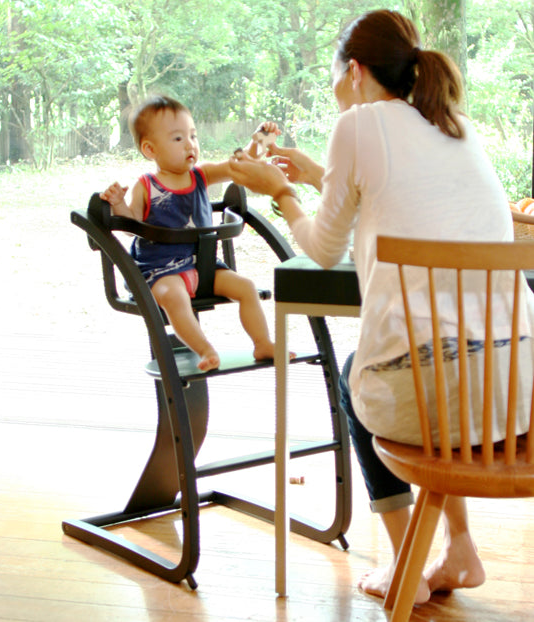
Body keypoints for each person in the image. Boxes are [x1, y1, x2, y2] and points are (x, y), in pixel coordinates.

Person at [228, 9, 534, 605]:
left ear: (357, 71)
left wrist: (281, 193)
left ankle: (407, 564)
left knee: (359, 376)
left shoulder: (360, 123)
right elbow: (395, 194)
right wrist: (321, 178)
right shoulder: (453, 124)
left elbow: (321, 249)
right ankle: (459, 549)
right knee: (445, 369)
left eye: (336, 75)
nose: (335, 87)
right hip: (518, 392)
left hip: (445, 395)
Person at [101, 95, 282, 372]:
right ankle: (204, 349)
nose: (190, 144)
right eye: (178, 139)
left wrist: (259, 142)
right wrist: (119, 205)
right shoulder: (146, 186)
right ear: (150, 149)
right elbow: (132, 225)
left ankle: (262, 343)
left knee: (245, 287)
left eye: (193, 136)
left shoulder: (201, 175)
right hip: (161, 271)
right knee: (175, 298)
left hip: (203, 267)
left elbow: (238, 165)